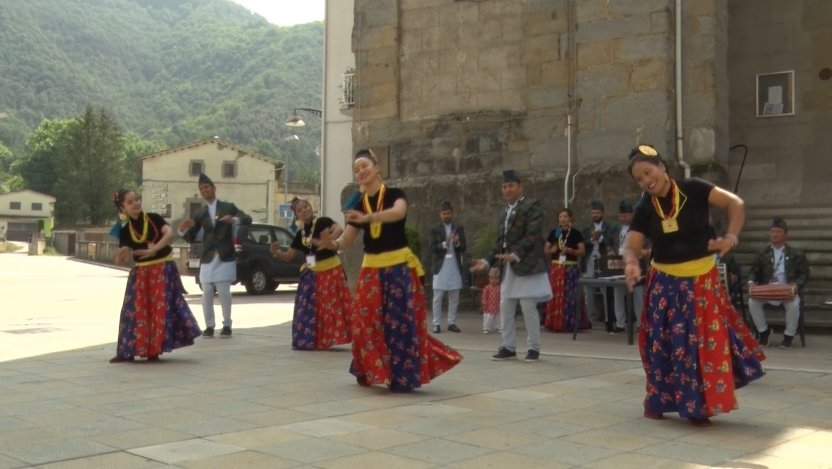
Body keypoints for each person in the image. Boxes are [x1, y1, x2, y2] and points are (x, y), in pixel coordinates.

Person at [622, 144, 765, 426]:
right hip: (664, 284)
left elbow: (735, 203)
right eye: (639, 178)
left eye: (648, 172)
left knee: (699, 344)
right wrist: (630, 261)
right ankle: (659, 399)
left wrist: (731, 237)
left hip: (701, 280)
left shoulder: (694, 188)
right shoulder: (645, 206)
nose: (646, 181)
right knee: (662, 345)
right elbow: (633, 244)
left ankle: (697, 406)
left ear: (662, 167)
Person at [322, 149, 462, 392]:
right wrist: (331, 245)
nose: (361, 171)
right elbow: (346, 240)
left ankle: (403, 375)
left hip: (398, 267)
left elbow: (398, 212)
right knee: (363, 322)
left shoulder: (395, 194)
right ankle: (370, 368)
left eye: (365, 166)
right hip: (371, 270)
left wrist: (368, 219)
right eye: (357, 169)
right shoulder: (358, 204)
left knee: (400, 322)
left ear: (377, 167)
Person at [109, 189, 202, 363]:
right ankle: (127, 351)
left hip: (162, 269)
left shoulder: (153, 218)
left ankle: (154, 350)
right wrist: (121, 254)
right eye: (130, 202)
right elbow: (122, 257)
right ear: (123, 208)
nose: (136, 203)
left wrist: (153, 249)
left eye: (137, 199)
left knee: (159, 310)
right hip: (141, 272)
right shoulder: (124, 230)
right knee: (134, 310)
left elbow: (170, 233)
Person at [472, 170, 552, 362]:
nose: (507, 189)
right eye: (504, 186)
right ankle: (508, 346)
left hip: (527, 264)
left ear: (520, 186)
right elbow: (500, 241)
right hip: (509, 266)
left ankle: (533, 348)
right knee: (505, 304)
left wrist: (515, 254)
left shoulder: (532, 206)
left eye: (511, 186)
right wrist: (487, 260)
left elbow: (532, 235)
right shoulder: (504, 213)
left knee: (527, 306)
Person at [270, 197, 353, 350]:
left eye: (306, 207)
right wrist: (276, 253)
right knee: (308, 307)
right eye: (300, 210)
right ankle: (309, 339)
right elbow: (289, 256)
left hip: (330, 270)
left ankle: (327, 339)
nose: (305, 210)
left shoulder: (322, 222)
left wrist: (326, 242)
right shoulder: (300, 234)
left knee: (328, 307)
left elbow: (339, 229)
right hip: (311, 272)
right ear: (297, 216)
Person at [178, 173, 251, 338]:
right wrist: (182, 230)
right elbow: (191, 237)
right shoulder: (200, 213)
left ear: (214, 188)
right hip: (208, 255)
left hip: (225, 254)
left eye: (207, 187)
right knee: (207, 291)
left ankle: (227, 325)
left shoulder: (228, 207)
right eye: (201, 188)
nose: (204, 190)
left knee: (224, 290)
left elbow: (247, 219)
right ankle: (209, 325)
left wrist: (233, 219)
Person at [747, 217, 810, 349]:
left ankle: (788, 336)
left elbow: (805, 274)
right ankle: (764, 332)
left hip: (786, 290)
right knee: (753, 302)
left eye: (778, 231)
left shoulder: (796, 254)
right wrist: (751, 282)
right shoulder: (762, 252)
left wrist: (796, 285)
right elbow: (754, 271)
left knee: (794, 304)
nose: (775, 234)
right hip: (767, 290)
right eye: (772, 231)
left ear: (785, 234)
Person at [542, 207, 590, 332]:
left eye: (565, 217)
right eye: (560, 217)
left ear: (570, 218)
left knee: (570, 296)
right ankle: (554, 323)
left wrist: (571, 250)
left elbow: (582, 251)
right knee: (555, 296)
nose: (563, 219)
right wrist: (551, 250)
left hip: (570, 268)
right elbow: (546, 250)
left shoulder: (575, 233)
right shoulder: (554, 233)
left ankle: (571, 323)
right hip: (556, 267)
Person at [429, 200, 467, 333]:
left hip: (454, 265)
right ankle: (436, 323)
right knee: (438, 296)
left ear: (452, 213)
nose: (446, 216)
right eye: (444, 214)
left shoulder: (458, 227)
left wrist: (456, 243)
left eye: (448, 213)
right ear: (440, 215)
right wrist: (446, 243)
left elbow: (464, 247)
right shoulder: (435, 229)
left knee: (454, 295)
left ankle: (452, 322)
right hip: (441, 265)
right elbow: (432, 247)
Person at [611, 200, 644, 334]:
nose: (623, 218)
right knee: (617, 293)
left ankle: (641, 323)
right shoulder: (615, 229)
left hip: (635, 263)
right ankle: (620, 323)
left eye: (626, 215)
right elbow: (611, 242)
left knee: (638, 295)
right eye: (621, 215)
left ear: (631, 215)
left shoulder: (638, 228)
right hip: (617, 264)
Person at [581, 200, 617, 322]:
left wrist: (600, 238)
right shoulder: (587, 228)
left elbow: (612, 242)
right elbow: (583, 243)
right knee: (589, 291)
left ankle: (608, 320)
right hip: (590, 260)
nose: (595, 215)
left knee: (605, 290)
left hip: (603, 260)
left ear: (602, 213)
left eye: (597, 213)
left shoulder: (609, 227)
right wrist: (592, 239)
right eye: (593, 213)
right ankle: (588, 320)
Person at [481, 267, 501, 334]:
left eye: (496, 279)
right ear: (489, 279)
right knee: (488, 318)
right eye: (492, 278)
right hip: (489, 306)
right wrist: (484, 303)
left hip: (497, 305)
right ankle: (486, 328)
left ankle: (499, 327)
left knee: (499, 317)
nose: (494, 280)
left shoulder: (500, 287)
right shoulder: (487, 288)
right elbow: (484, 296)